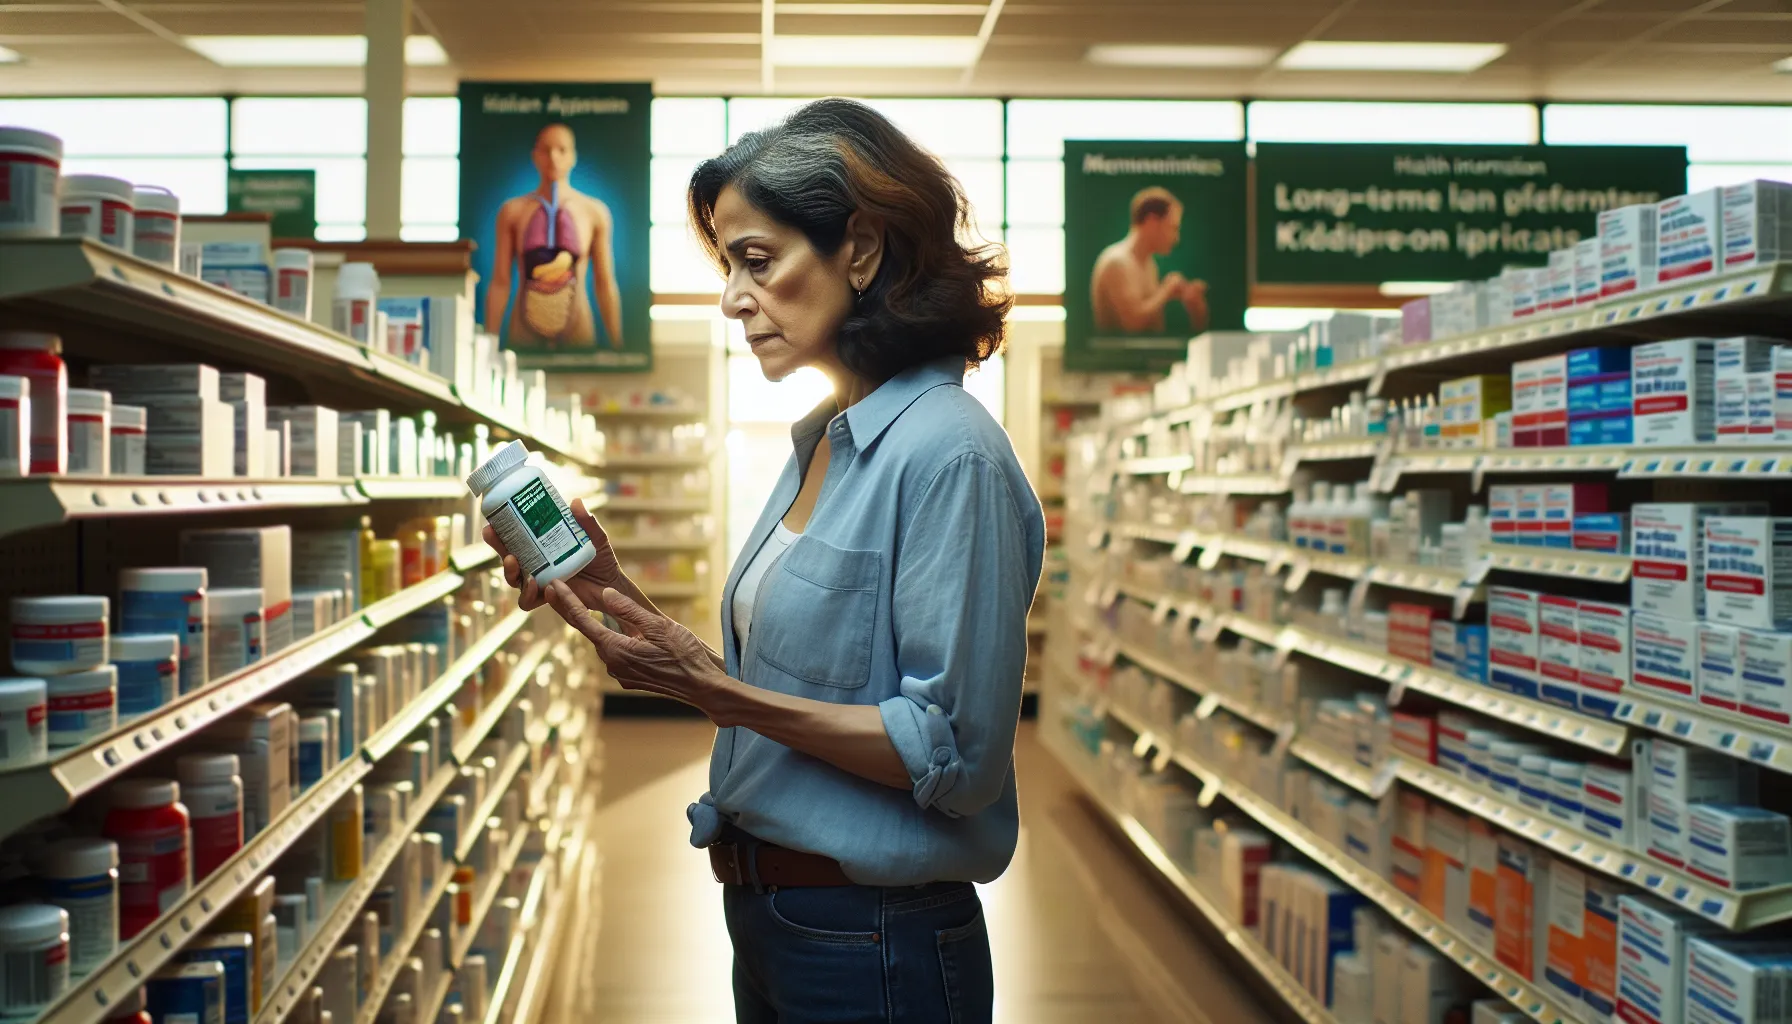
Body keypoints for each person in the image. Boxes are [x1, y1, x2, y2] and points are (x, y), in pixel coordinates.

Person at [484, 98, 1043, 1023]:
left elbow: (955, 753)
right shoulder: (826, 438)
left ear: (859, 251)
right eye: (728, 266)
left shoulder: (950, 455)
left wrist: (713, 692)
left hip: (875, 942)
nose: (734, 298)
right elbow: (806, 672)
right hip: (777, 919)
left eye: (757, 260)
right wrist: (615, 594)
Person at [485, 122, 624, 349]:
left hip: (578, 331)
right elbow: (500, 281)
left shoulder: (594, 212)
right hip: (524, 334)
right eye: (545, 150)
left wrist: (618, 345)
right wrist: (488, 345)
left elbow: (604, 282)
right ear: (535, 156)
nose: (553, 157)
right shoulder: (512, 212)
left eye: (562, 150)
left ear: (573, 156)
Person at [1090, 185, 1210, 334]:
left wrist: (1193, 308)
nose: (1176, 238)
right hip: (1115, 357)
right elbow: (1131, 325)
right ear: (1152, 221)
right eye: (1172, 228)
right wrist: (1165, 291)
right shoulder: (1117, 262)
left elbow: (1154, 329)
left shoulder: (1149, 265)